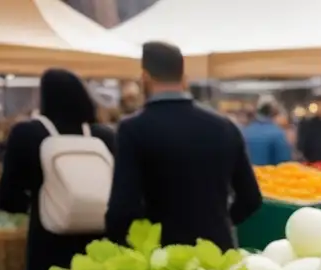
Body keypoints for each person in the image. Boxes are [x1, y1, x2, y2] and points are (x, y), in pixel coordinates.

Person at [105, 42, 261, 252]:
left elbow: (122, 209)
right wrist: (220, 222)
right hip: (216, 253)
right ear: (183, 76)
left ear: (144, 77)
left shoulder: (133, 129)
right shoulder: (224, 126)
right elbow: (251, 198)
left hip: (161, 258)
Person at [0, 69, 116, 270]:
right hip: (98, 244)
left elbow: (9, 197)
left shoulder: (27, 134)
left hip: (48, 241)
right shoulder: (103, 136)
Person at [242, 96, 291, 166]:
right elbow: (284, 164)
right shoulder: (277, 134)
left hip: (247, 175)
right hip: (267, 175)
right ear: (274, 112)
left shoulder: (245, 132)